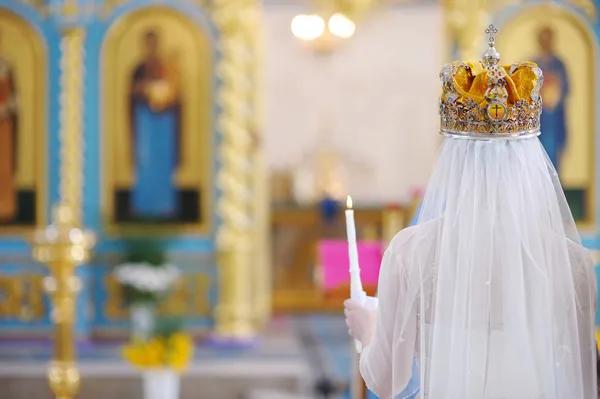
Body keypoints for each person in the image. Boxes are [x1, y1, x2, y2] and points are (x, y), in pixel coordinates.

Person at [345, 25, 597, 399]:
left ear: (452, 161)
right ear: (530, 165)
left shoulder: (412, 252)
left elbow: (387, 383)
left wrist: (368, 328)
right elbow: (584, 381)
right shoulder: (572, 262)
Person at [534, 26, 569, 171]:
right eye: (543, 39)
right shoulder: (534, 63)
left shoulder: (558, 64)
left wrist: (554, 89)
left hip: (554, 118)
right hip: (538, 117)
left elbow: (566, 87)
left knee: (552, 153)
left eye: (548, 38)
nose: (545, 42)